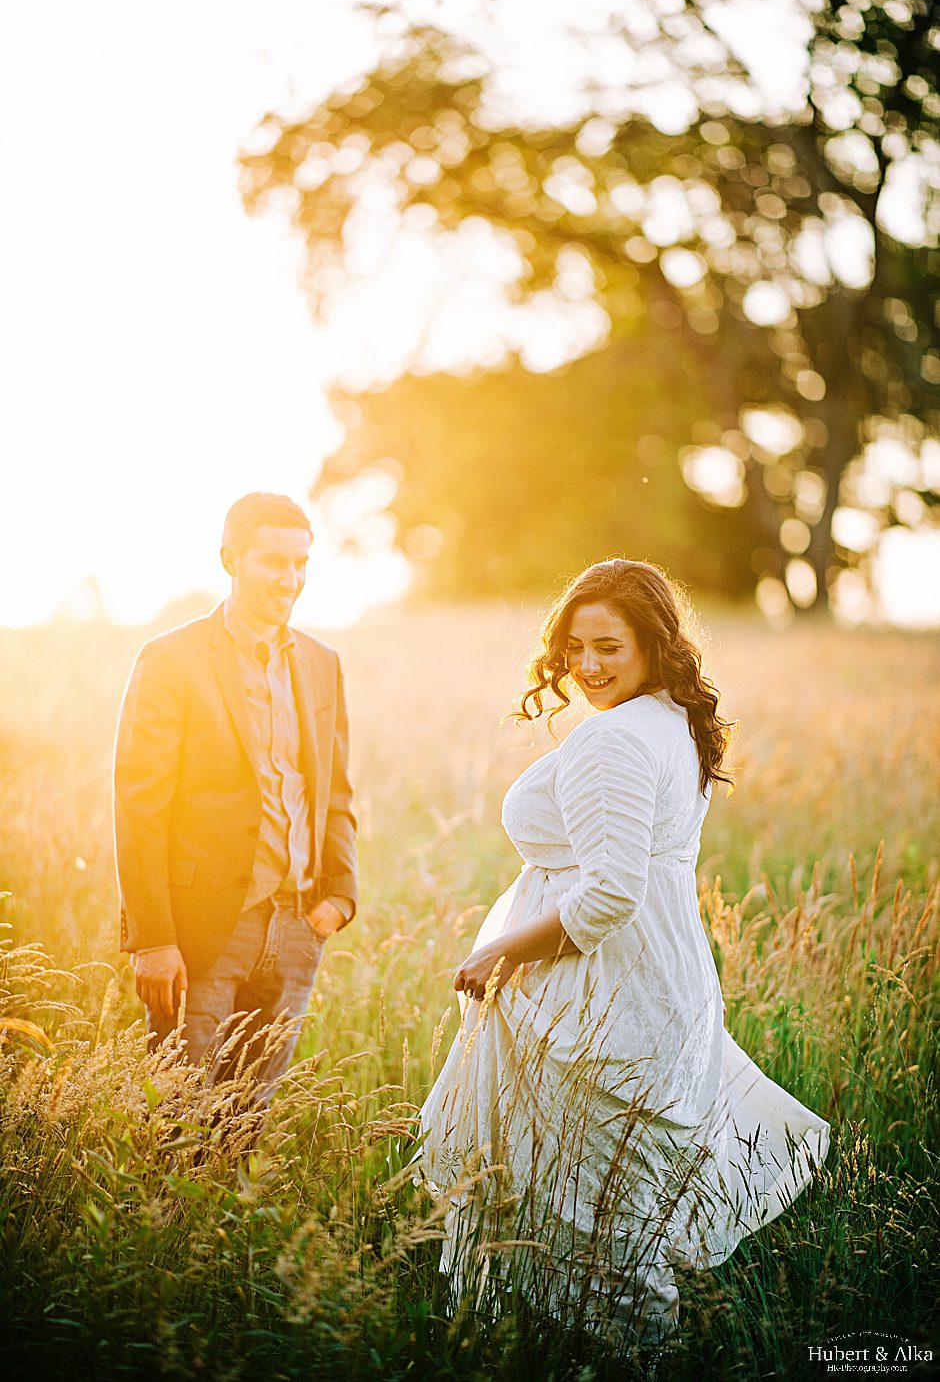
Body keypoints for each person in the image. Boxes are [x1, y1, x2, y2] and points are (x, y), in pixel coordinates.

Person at [419, 559, 829, 1342]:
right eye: (574, 647)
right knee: (612, 1211)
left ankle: (623, 1354)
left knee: (592, 1217)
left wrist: (500, 952)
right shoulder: (675, 718)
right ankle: (601, 1347)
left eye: (609, 646)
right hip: (658, 981)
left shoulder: (613, 739)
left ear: (653, 643)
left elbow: (610, 894)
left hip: (599, 997)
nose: (587, 666)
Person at [114, 492, 357, 1106]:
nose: (290, 579)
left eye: (301, 563)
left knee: (247, 1121)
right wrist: (152, 938)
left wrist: (340, 897)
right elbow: (140, 805)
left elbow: (334, 790)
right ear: (231, 560)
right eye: (274, 561)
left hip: (299, 926)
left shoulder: (322, 663)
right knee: (180, 1118)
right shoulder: (172, 659)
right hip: (203, 931)